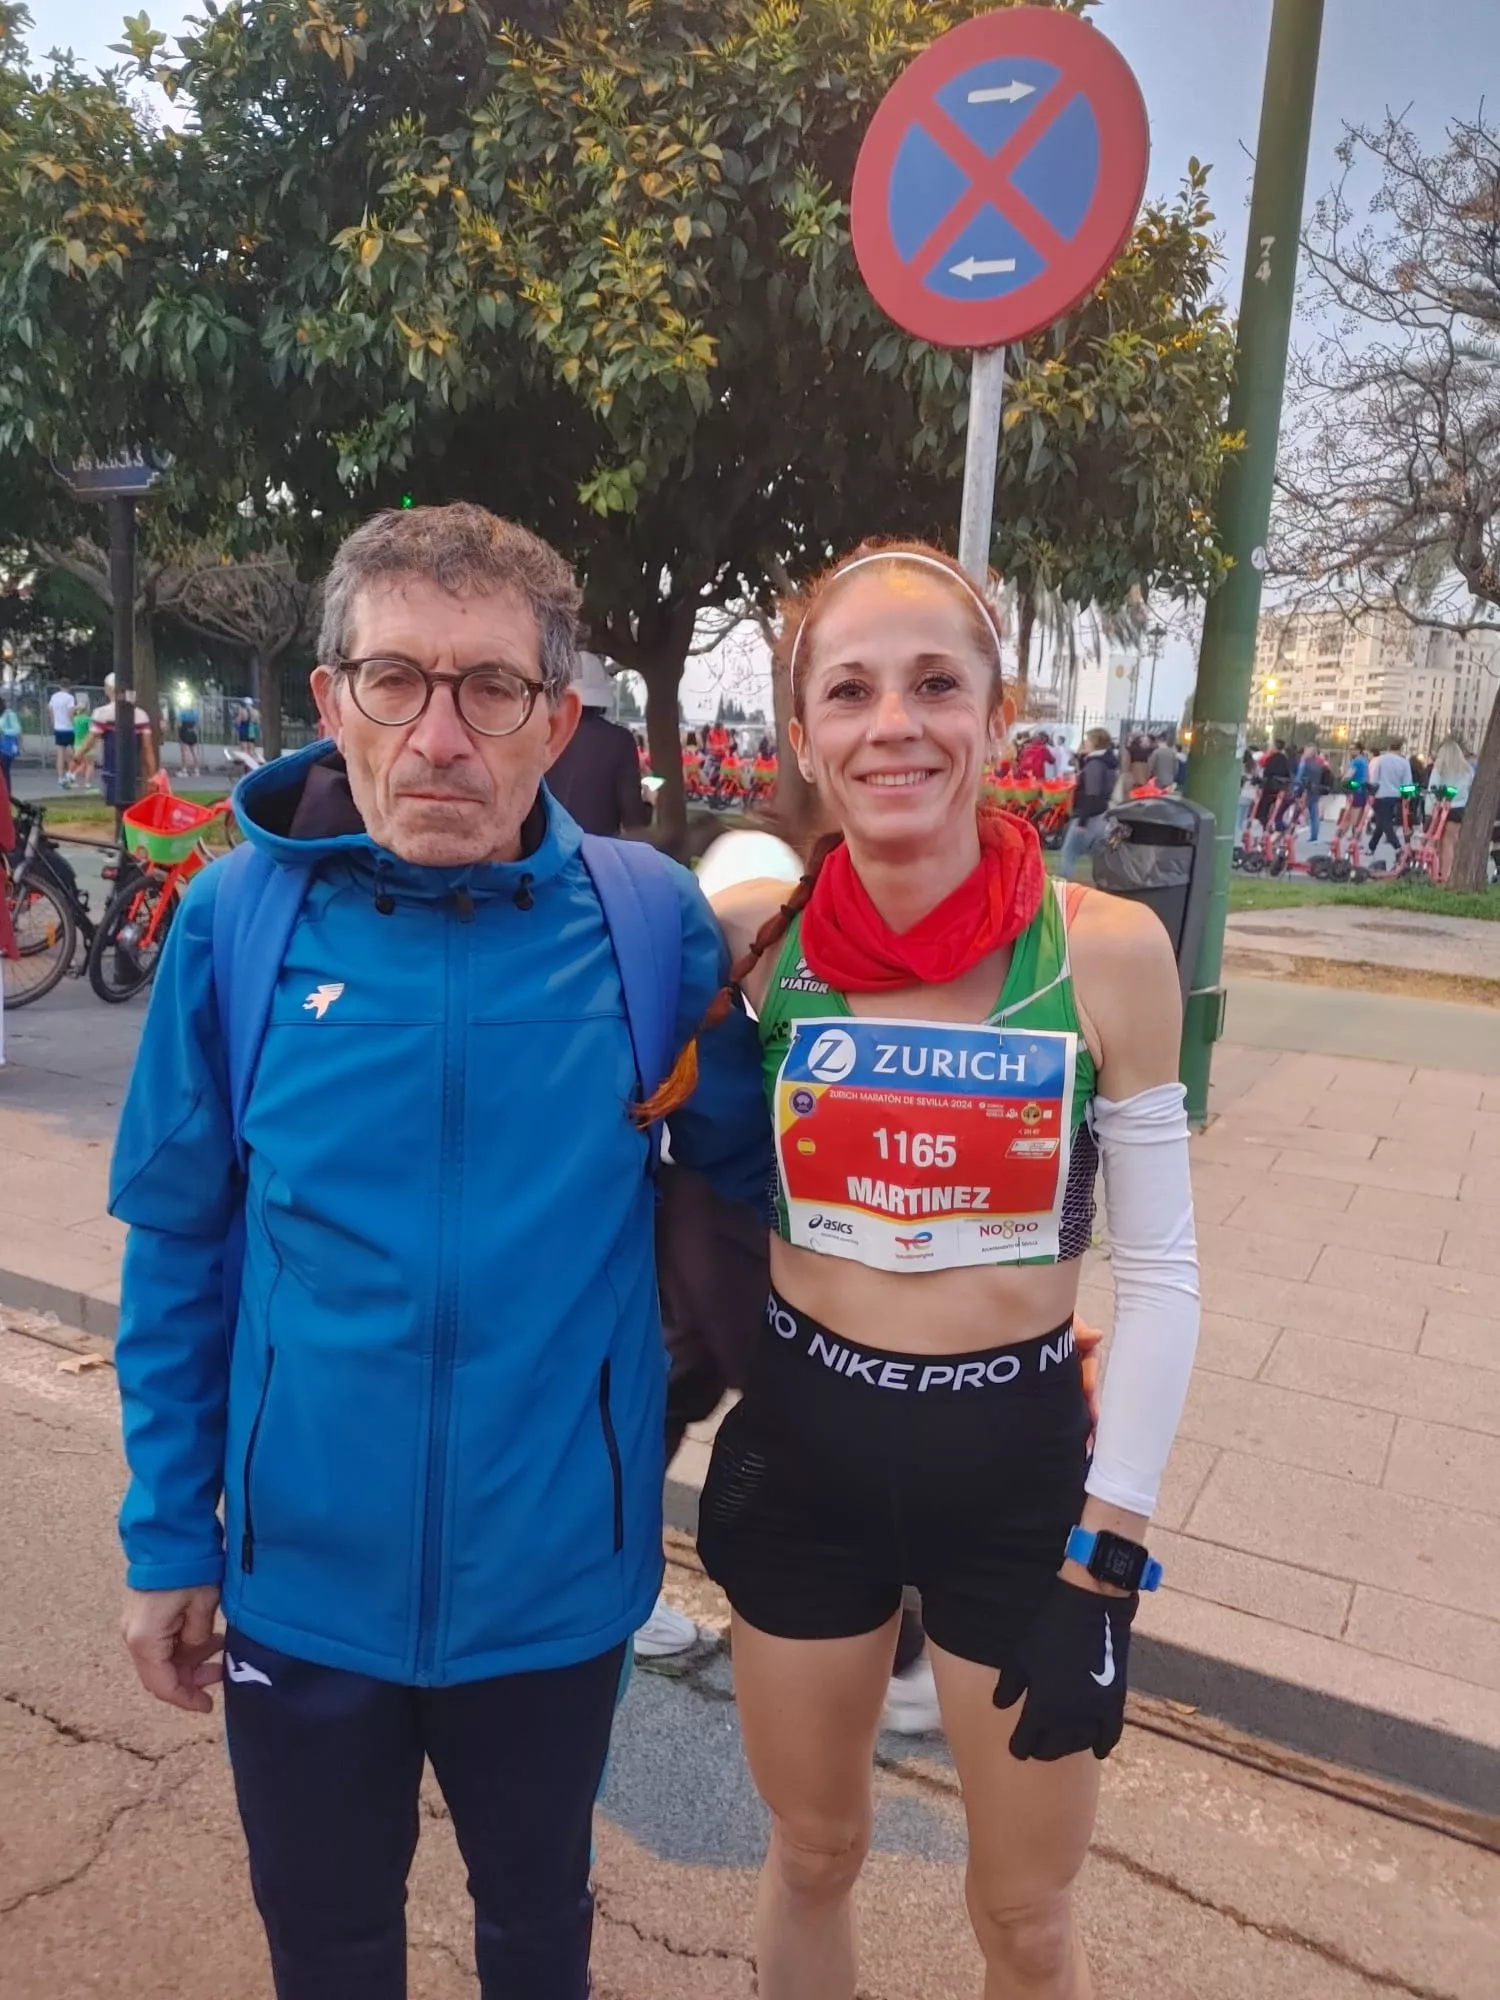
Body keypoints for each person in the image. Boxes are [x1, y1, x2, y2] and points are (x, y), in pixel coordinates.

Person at [109, 502, 771, 2000]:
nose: (440, 737)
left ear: (559, 720)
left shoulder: (645, 921)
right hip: (299, 1584)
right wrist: (168, 1536)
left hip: (553, 1584)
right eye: (397, 681)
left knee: (538, 1939)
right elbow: (177, 1253)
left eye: (492, 689)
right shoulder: (235, 924)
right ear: (334, 698)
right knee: (329, 1951)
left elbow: (761, 1178)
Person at [663, 541, 1198, 2000]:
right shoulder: (756, 956)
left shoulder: (1109, 955)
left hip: (1019, 1481)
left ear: (997, 711)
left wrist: (1109, 1558)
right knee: (814, 1852)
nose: (893, 723)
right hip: (806, 1455)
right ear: (803, 732)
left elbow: (1161, 1277)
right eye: (851, 689)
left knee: (1025, 1918)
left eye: (934, 683)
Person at [545, 651, 651, 838]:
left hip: (546, 849)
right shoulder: (620, 741)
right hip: (596, 856)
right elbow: (634, 821)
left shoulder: (545, 734)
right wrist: (649, 802)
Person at [83, 672, 156, 806]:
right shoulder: (141, 715)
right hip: (135, 772)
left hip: (111, 770)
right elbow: (147, 749)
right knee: (133, 806)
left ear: (110, 690)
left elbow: (91, 738)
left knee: (115, 805)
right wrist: (152, 776)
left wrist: (78, 755)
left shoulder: (102, 713)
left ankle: (120, 825)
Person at [1057, 727, 1116, 881]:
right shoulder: (1106, 763)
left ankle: (1061, 891)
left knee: (1069, 854)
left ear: (1095, 743)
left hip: (1087, 816)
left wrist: (1082, 821)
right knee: (1098, 857)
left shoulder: (1094, 764)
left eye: (1088, 740)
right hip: (1101, 814)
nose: (1085, 743)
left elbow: (1092, 793)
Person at [1427, 736, 1474, 885]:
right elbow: (1469, 787)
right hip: (1459, 808)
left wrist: (1429, 809)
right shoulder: (1466, 768)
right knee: (1450, 843)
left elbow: (1433, 788)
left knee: (1436, 842)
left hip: (1441, 808)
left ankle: (1436, 873)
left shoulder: (1440, 767)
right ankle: (1447, 875)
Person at [1368, 738, 1413, 862]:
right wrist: (1406, 797)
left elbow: (1374, 777)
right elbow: (1407, 782)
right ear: (1400, 748)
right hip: (1396, 796)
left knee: (1384, 822)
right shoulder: (1404, 762)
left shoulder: (1380, 760)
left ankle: (1397, 847)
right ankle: (1371, 846)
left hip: (1380, 794)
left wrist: (1371, 793)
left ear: (1388, 747)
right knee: (1381, 822)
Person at [1294, 743, 1323, 846]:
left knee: (1296, 812)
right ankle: (1314, 836)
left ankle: (1291, 832)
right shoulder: (1318, 765)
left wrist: (1296, 789)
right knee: (1314, 815)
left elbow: (1299, 778)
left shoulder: (1304, 763)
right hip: (1315, 791)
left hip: (1305, 791)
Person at [0, 696, 21, 799]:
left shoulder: (9, 715)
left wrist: (4, 731)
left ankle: (6, 794)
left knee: (4, 771)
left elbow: (17, 730)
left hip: (6, 748)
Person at [177, 694, 202, 776]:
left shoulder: (183, 712)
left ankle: (184, 770)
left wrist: (179, 731)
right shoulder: (195, 713)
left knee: (184, 752)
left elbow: (179, 724)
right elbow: (197, 724)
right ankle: (196, 770)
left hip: (184, 732)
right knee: (194, 752)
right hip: (192, 732)